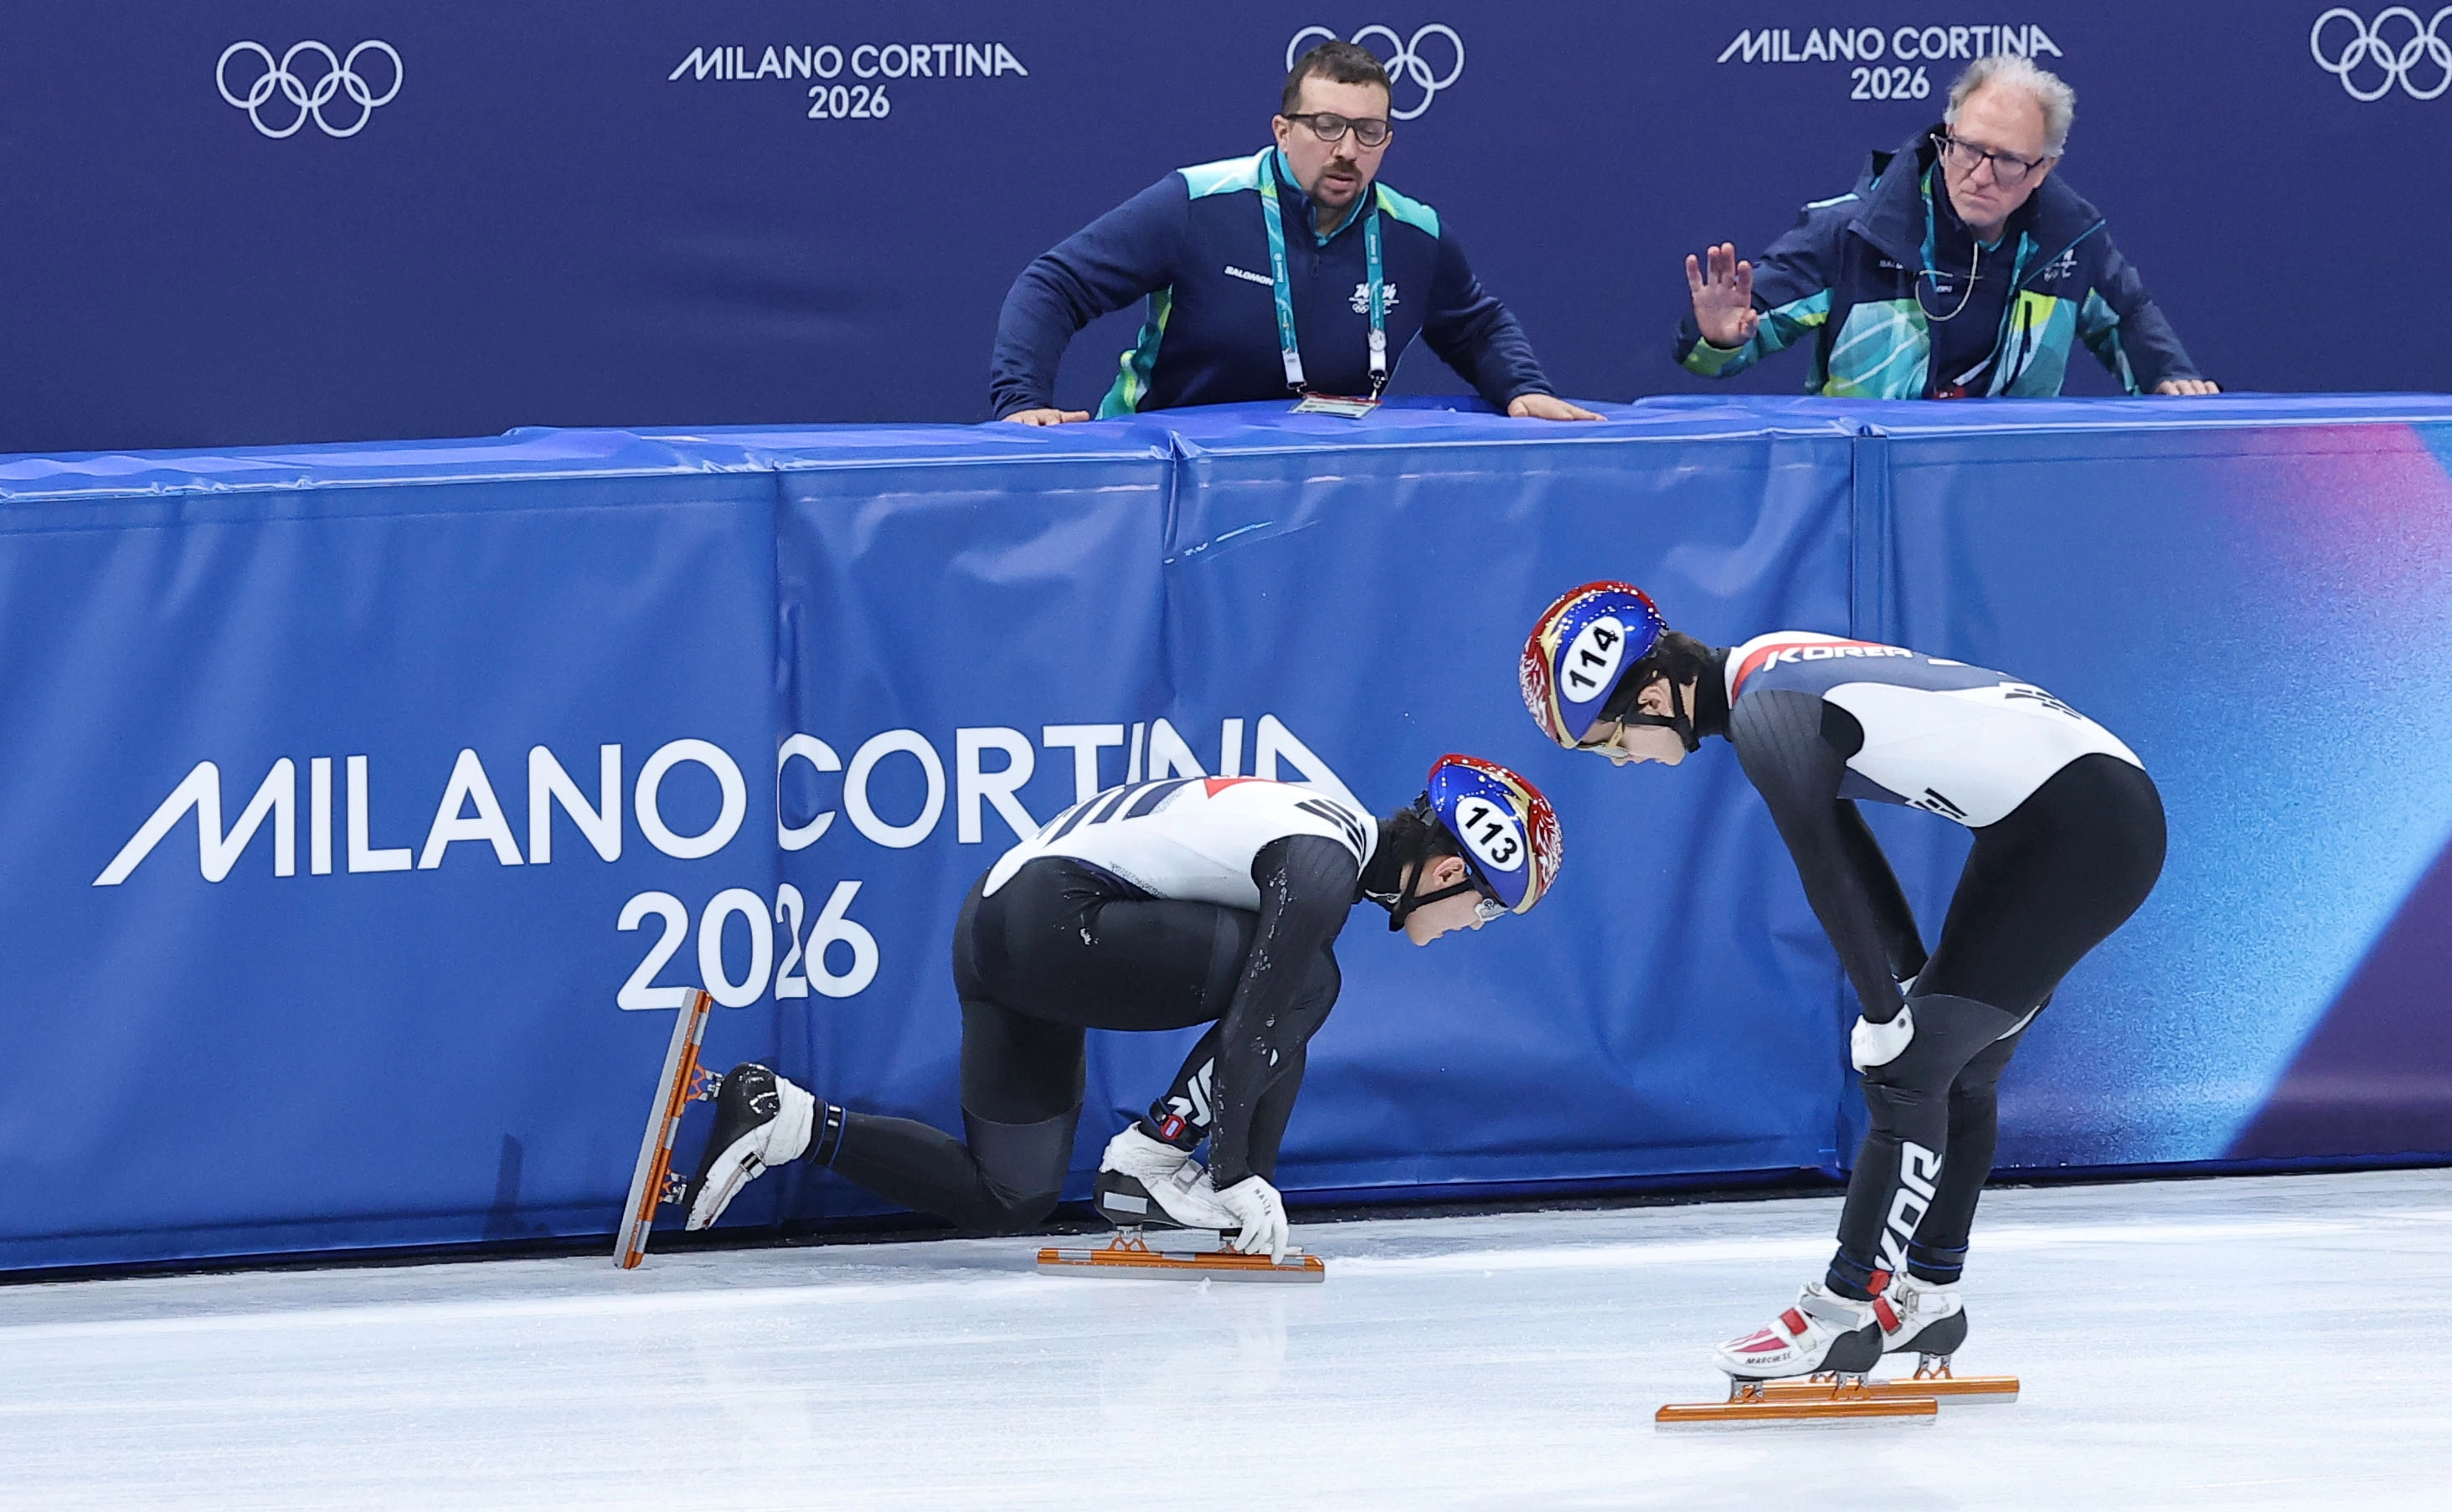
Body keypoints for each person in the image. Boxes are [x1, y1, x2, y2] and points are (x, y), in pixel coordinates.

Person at [1520, 581, 2164, 1378]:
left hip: (2083, 831)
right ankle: (1929, 1296)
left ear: (1654, 695)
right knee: (1957, 1067)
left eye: (1611, 742)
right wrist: (1907, 974)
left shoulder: (1766, 714)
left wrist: (1886, 1013)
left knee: (1907, 1070)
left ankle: (1840, 1312)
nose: (1622, 761)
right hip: (2061, 820)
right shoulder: (1765, 672)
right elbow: (1849, 843)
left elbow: (1823, 870)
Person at [683, 759, 1563, 1264]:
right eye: (1485, 908)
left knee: (1009, 1195)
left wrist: (1248, 1184)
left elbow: (1273, 1040)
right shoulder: (1325, 857)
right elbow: (1259, 1019)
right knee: (1306, 979)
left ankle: (784, 1119)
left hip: (1002, 926)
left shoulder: (1327, 832)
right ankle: (1150, 1158)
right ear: (1449, 870)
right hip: (1051, 919)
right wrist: (1226, 1172)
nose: (1473, 925)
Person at [992, 41, 1599, 424]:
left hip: (1315, 486)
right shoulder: (1197, 203)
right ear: (1283, 131)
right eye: (1327, 126)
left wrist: (1523, 388)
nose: (1347, 150)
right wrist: (1022, 404)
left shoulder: (1415, 234)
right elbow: (1054, 285)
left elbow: (1476, 327)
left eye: (1368, 132)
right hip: (1166, 473)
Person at [1677, 54, 2218, 400]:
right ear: (1947, 134)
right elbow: (1722, 348)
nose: (1980, 175)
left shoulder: (2071, 241)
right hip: (1871, 483)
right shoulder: (1850, 231)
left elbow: (2128, 316)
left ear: (2043, 168)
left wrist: (2168, 376)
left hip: (2005, 486)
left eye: (2008, 161)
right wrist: (1718, 339)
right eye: (1968, 149)